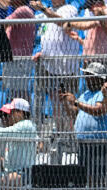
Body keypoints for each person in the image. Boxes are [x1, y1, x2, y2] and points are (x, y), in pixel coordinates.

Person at [60, 62, 107, 190]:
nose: (86, 79)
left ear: (97, 78)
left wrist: (76, 102)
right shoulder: (85, 94)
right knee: (89, 181)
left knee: (97, 181)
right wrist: (67, 102)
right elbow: (74, 114)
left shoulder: (104, 94)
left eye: (89, 76)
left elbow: (98, 111)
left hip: (98, 144)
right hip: (84, 144)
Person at [31, 0, 83, 133]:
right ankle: (60, 136)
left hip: (66, 68)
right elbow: (50, 37)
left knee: (68, 105)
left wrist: (43, 9)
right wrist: (42, 52)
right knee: (56, 105)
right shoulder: (48, 12)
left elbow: (64, 23)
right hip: (49, 66)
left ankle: (70, 138)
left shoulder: (69, 9)